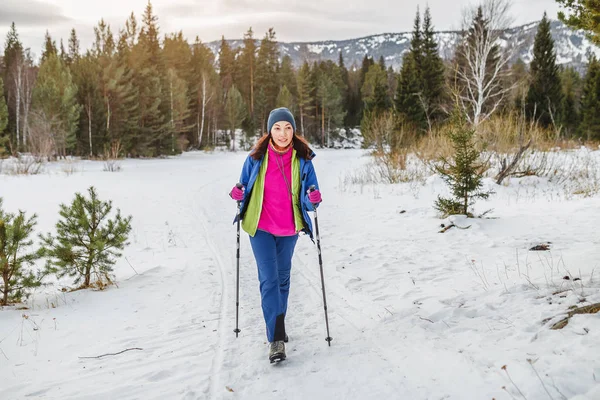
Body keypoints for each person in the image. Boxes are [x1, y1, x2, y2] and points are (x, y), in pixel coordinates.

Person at [229, 107, 322, 363]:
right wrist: (237, 193)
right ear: (269, 130)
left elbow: (309, 193)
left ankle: (277, 323)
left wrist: (313, 199)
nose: (283, 133)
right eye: (278, 128)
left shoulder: (303, 159)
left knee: (282, 279)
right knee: (269, 280)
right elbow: (243, 187)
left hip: (289, 228)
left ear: (294, 130)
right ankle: (276, 339)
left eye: (288, 128)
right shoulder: (256, 158)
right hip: (259, 227)